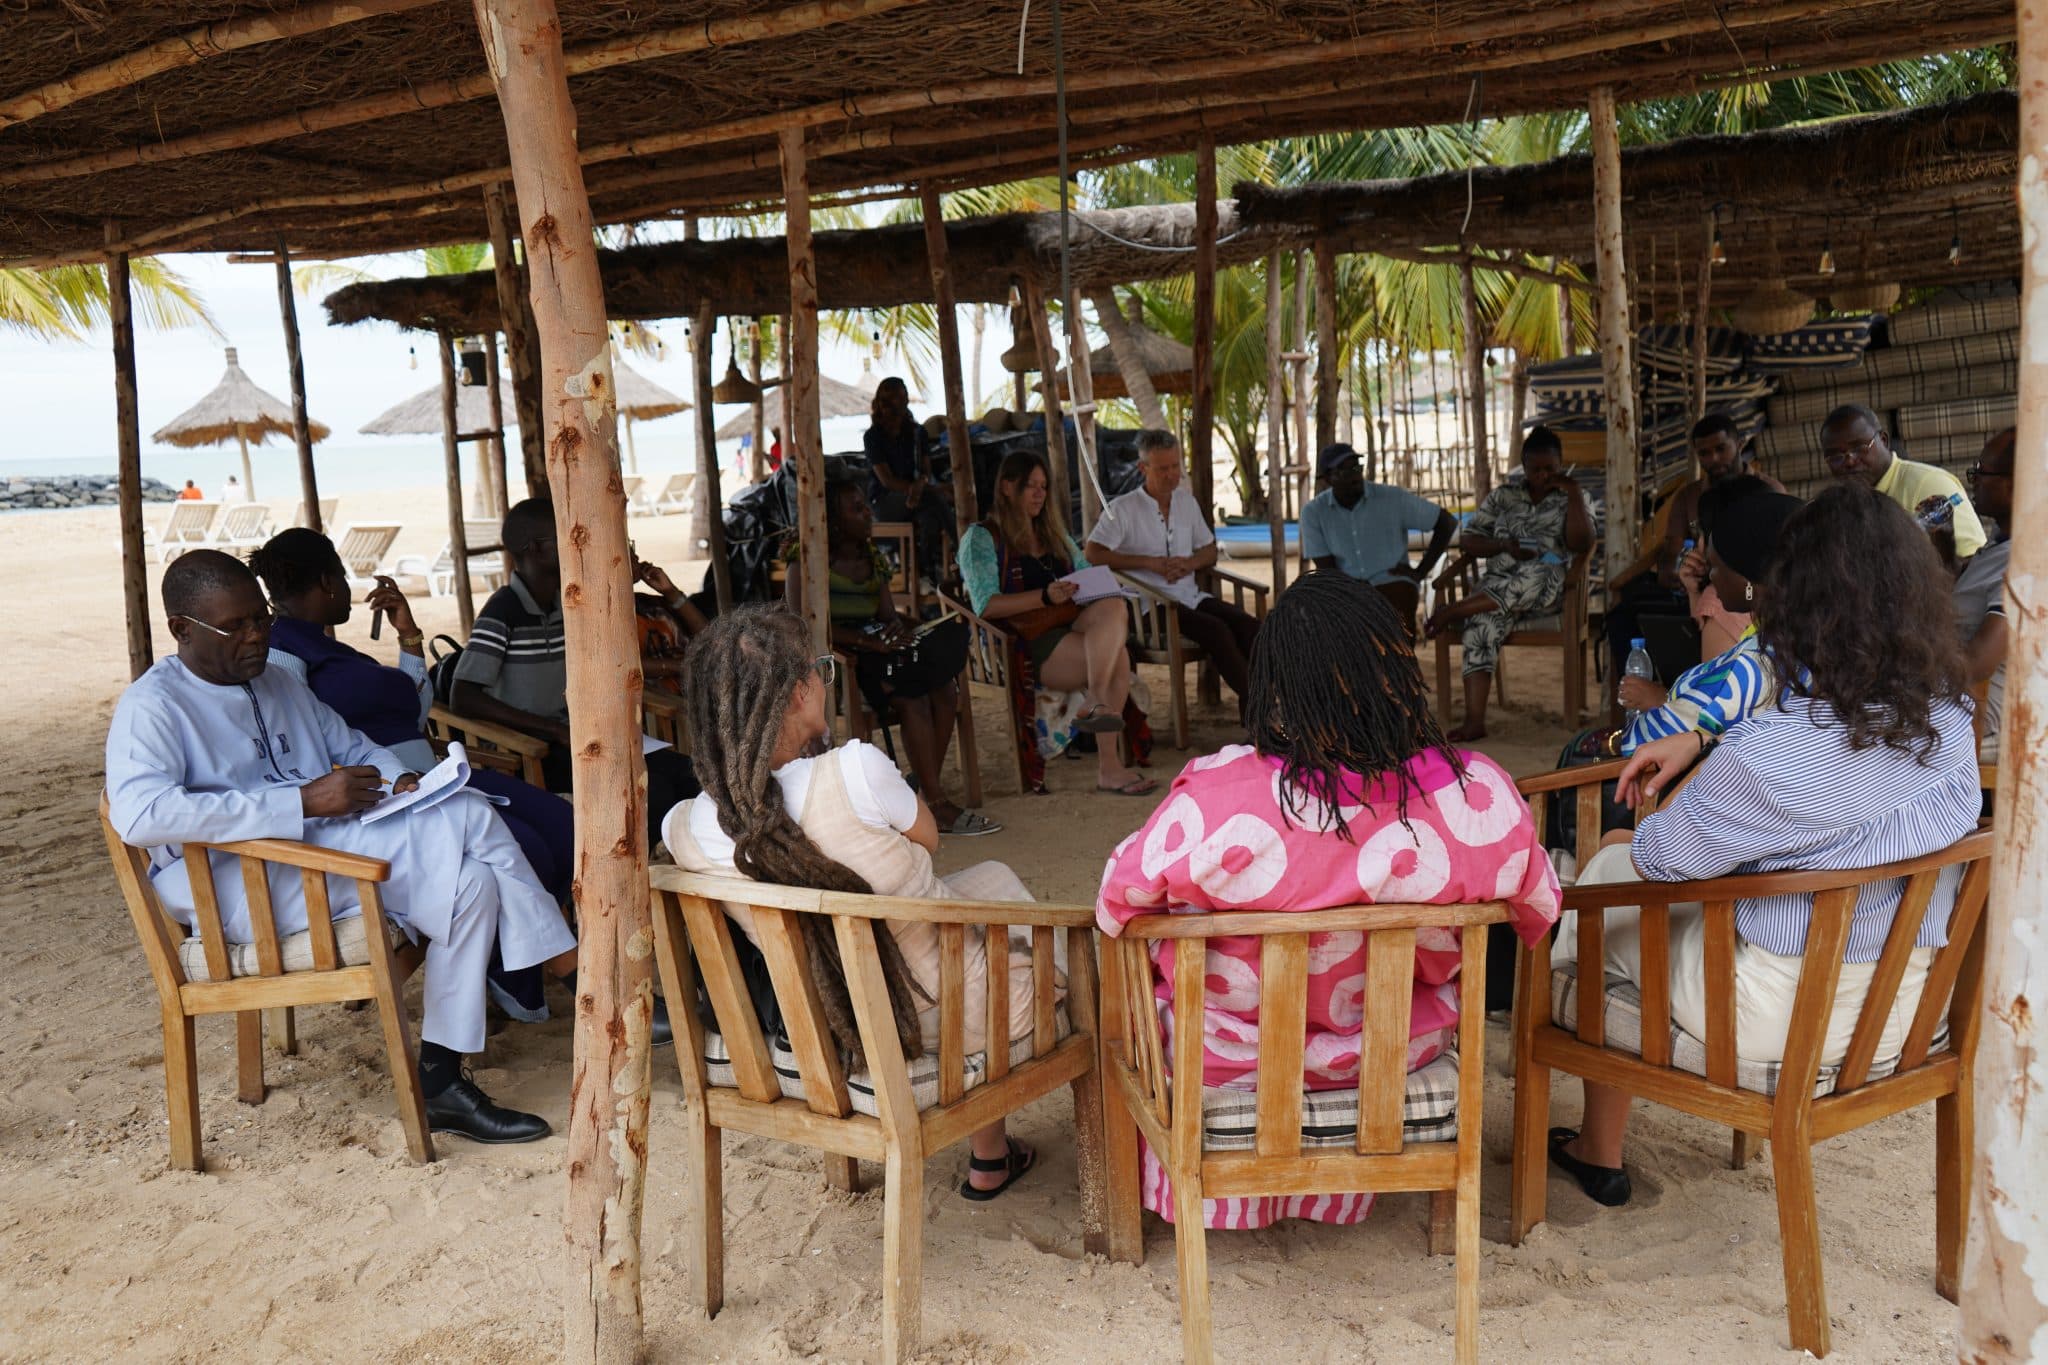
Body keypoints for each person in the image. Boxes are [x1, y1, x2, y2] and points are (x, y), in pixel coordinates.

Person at [1548, 485, 1981, 1208]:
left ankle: (1599, 1145)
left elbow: (1662, 860)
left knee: (1606, 874)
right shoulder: (1951, 722)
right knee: (1633, 873)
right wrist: (1708, 735)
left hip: (1770, 1015)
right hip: (1906, 1007)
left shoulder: (1769, 757)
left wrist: (1703, 761)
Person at [1097, 573, 1561, 1229]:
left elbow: (1117, 904)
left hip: (1228, 1063)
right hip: (1394, 1057)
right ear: (1397, 668)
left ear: (1278, 686)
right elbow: (1539, 908)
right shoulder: (1476, 796)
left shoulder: (1217, 797)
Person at [106, 551, 578, 1143]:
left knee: (472, 881)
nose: (256, 637)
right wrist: (300, 802)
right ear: (181, 629)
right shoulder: (153, 706)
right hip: (230, 884)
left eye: (263, 619)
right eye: (237, 626)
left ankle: (440, 1081)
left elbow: (354, 745)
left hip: (314, 857)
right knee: (465, 812)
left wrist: (398, 778)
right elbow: (141, 815)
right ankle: (568, 966)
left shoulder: (276, 680)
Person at [664, 606, 1053, 1200]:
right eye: (821, 672)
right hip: (927, 1020)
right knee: (1006, 914)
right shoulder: (856, 771)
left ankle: (991, 1156)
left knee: (987, 886)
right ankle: (990, 1154)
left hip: (824, 1023)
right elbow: (927, 841)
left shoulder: (686, 826)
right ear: (798, 693)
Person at [250, 527, 579, 1024]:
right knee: (525, 845)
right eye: (340, 574)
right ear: (326, 581)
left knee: (562, 824)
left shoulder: (331, 649)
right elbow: (305, 750)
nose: (345, 583)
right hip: (389, 794)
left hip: (430, 773)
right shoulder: (285, 656)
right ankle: (519, 969)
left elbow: (414, 707)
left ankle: (522, 954)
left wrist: (408, 632)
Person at [449, 497, 699, 847]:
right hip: (530, 751)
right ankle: (649, 880)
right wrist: (551, 729)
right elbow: (463, 697)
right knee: (653, 792)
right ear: (535, 549)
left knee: (691, 775)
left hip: (580, 740)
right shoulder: (504, 611)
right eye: (565, 537)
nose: (575, 544)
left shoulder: (565, 606)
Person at [786, 472, 999, 836]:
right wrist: (869, 643)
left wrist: (904, 626)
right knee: (913, 701)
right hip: (846, 663)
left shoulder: (873, 559)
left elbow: (886, 615)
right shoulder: (805, 562)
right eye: (857, 509)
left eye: (865, 506)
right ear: (834, 521)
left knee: (946, 690)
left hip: (884, 653)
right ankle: (936, 802)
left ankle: (924, 785)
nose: (868, 513)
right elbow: (801, 625)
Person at [960, 450, 1156, 796]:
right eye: (1030, 486)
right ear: (1007, 487)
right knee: (1119, 658)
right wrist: (1045, 596)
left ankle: (1095, 702)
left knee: (1112, 604)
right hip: (1027, 640)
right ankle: (1109, 767)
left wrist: (1091, 586)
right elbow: (986, 604)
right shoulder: (983, 537)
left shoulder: (1051, 532)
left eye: (1043, 487)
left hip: (1071, 625)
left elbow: (1085, 572)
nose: (1040, 494)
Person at [1422, 426, 1595, 741]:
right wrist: (1504, 547)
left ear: (1560, 464)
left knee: (1538, 572)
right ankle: (1475, 720)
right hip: (1497, 586)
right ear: (1523, 468)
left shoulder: (1573, 496)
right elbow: (1469, 540)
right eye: (1535, 469)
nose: (1543, 475)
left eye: (1550, 469)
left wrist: (1572, 494)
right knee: (1481, 624)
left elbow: (1582, 543)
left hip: (1547, 588)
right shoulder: (1504, 496)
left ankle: (1452, 611)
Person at [1610, 480, 1803, 759]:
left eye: (1716, 567)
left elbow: (1657, 737)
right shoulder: (1797, 639)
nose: (1710, 577)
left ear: (1749, 579)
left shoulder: (1749, 668)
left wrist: (1611, 743)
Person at [1603, 413, 1784, 700]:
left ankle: (1672, 697)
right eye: (1704, 453)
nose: (1713, 459)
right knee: (1624, 614)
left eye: (1720, 449)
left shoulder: (1768, 491)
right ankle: (1634, 696)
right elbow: (1670, 557)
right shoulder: (1689, 496)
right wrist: (1685, 575)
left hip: (1750, 589)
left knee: (1705, 613)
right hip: (1703, 587)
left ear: (1738, 444)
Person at [1085, 428, 1262, 717]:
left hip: (1189, 596)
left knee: (1250, 626)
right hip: (1150, 608)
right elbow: (1093, 553)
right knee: (1217, 632)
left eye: (1175, 466)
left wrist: (1188, 564)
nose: (1171, 475)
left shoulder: (1186, 502)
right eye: (1163, 468)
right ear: (1143, 468)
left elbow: (1208, 549)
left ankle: (1255, 713)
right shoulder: (1124, 509)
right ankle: (1260, 712)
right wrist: (1148, 563)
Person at [1300, 441, 1457, 630]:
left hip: (1392, 583)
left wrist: (1420, 572)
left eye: (1356, 468)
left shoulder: (1391, 498)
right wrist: (1352, 592)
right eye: (1343, 471)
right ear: (1327, 479)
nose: (1354, 475)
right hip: (1346, 590)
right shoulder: (1314, 512)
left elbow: (1446, 522)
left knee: (1394, 631)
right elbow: (1327, 570)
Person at [1821, 403, 1985, 559]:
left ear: (1883, 441)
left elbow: (1971, 561)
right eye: (1836, 457)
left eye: (1859, 448)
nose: (1849, 461)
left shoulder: (1929, 483)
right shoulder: (1840, 507)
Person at [1949, 429, 2013, 760]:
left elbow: (1977, 663)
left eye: (1981, 471)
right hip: (1958, 697)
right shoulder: (1999, 548)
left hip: (1981, 713)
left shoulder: (2027, 560)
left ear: (2017, 484)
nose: (1973, 480)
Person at [864, 376, 952, 582]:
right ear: (884, 404)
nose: (901, 403)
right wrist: (916, 490)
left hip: (917, 497)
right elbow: (887, 481)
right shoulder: (873, 436)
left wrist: (919, 487)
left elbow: (925, 470)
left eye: (903, 397)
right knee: (936, 498)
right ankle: (961, 547)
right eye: (895, 399)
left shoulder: (917, 432)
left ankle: (926, 572)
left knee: (930, 518)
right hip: (886, 502)